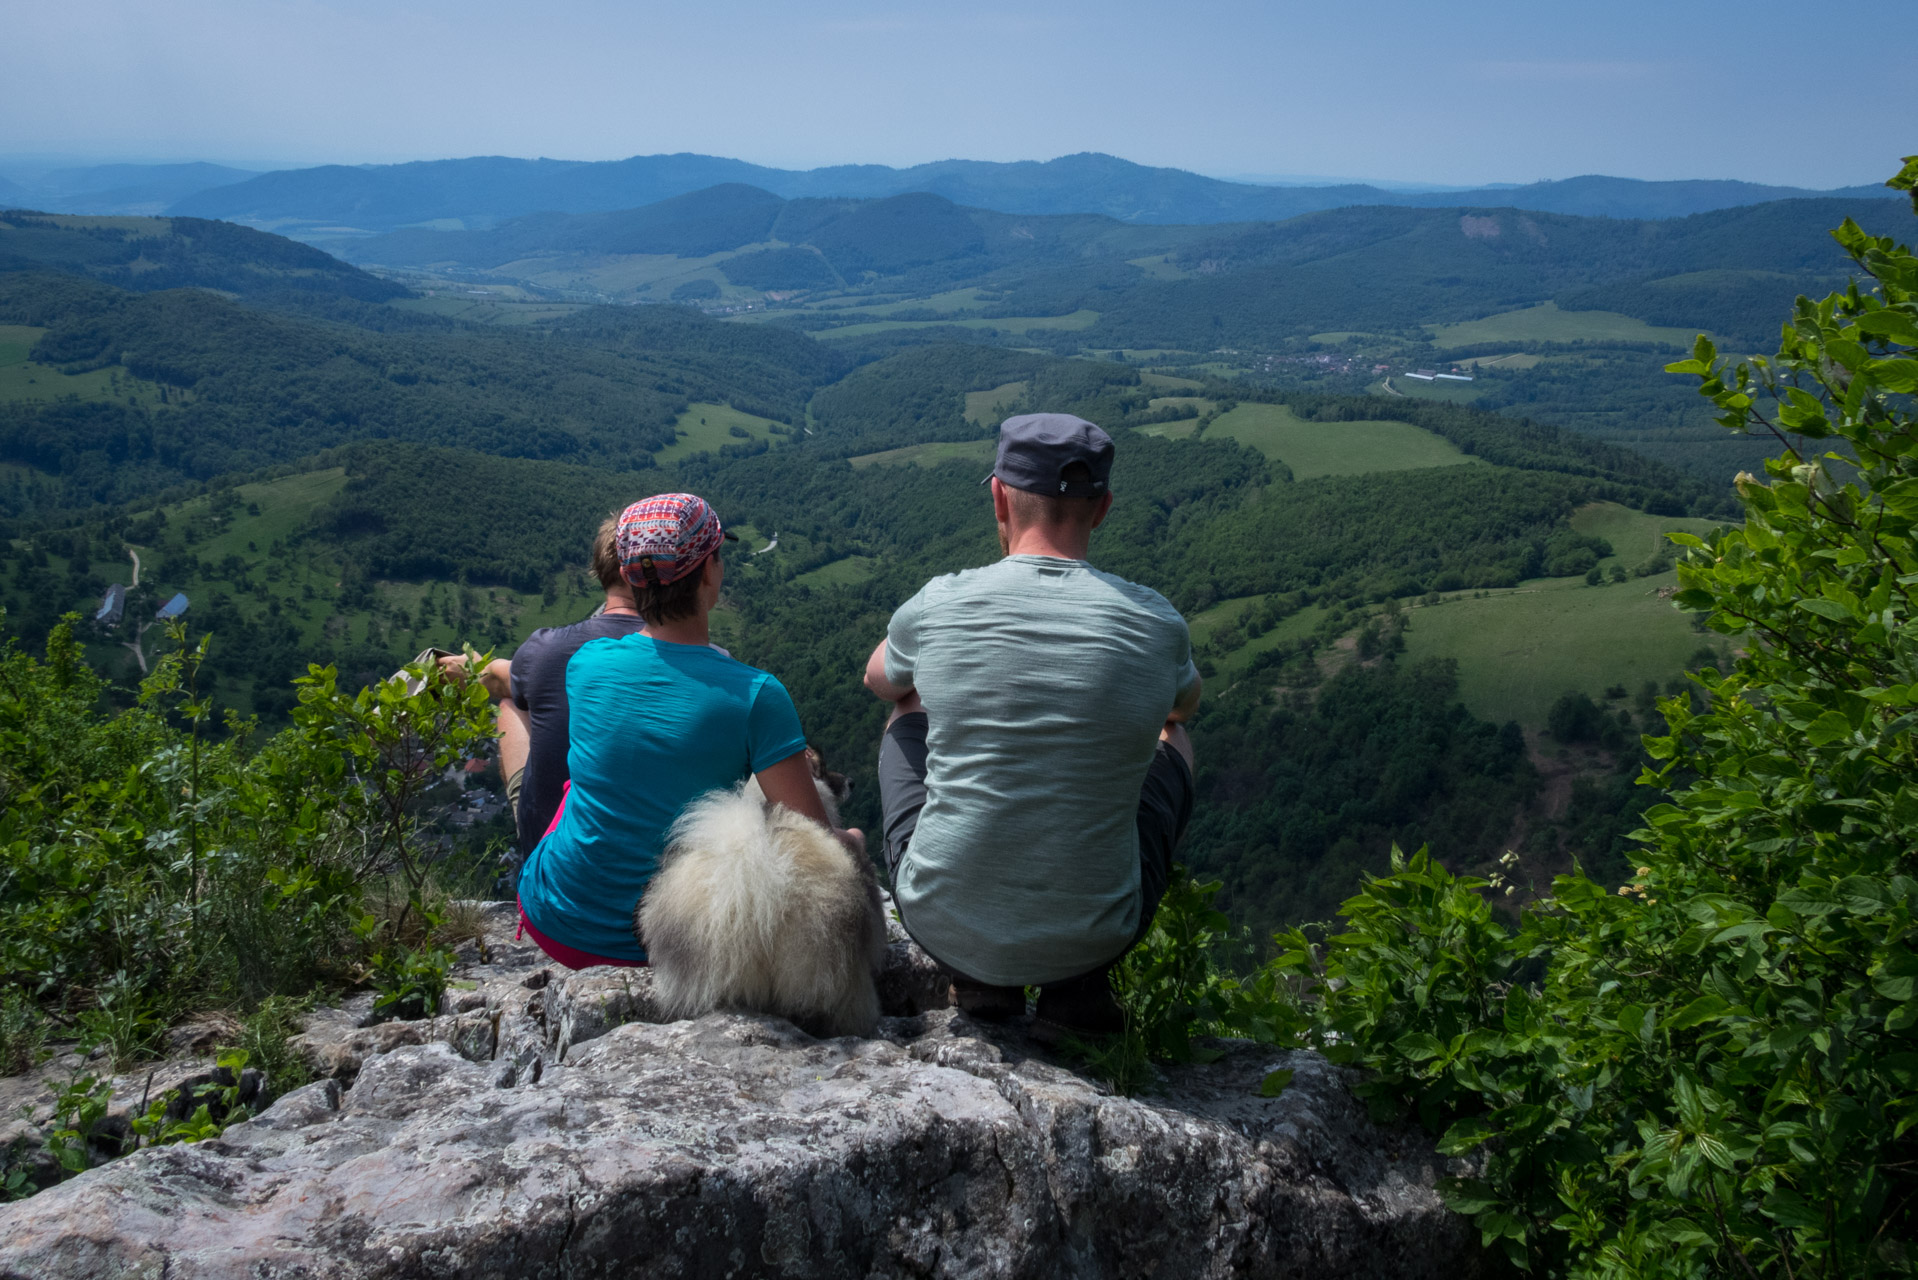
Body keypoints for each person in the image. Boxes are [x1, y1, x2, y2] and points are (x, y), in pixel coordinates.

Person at [862, 413, 1200, 1039]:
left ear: (998, 496)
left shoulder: (939, 600)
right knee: (1172, 740)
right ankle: (1077, 984)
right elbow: (1184, 710)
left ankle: (984, 978)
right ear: (1102, 509)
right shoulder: (1156, 623)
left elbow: (881, 681)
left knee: (905, 712)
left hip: (944, 926)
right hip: (1103, 935)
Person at [514, 492, 863, 969]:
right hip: (670, 948)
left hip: (553, 919)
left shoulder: (587, 665)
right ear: (708, 572)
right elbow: (814, 842)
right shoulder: (757, 695)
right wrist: (854, 842)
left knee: (580, 788)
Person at [439, 514, 648, 863]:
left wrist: (472, 667)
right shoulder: (680, 653)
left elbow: (497, 678)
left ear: (600, 570)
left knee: (511, 701)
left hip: (551, 850)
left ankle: (534, 834)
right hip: (643, 855)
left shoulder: (546, 649)